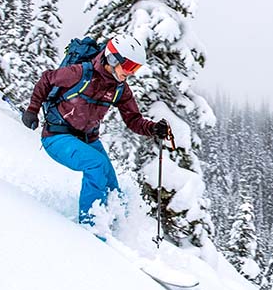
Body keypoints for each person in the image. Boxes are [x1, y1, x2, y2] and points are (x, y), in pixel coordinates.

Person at [20, 33, 170, 231]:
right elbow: (48, 79)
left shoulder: (120, 89)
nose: (131, 73)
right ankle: (91, 228)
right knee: (96, 165)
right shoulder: (81, 73)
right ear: (113, 58)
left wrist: (153, 128)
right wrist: (32, 110)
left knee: (111, 184)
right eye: (128, 67)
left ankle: (117, 228)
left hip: (88, 139)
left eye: (135, 69)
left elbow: (133, 119)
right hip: (57, 136)